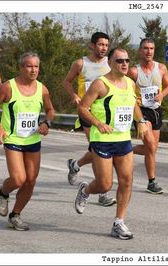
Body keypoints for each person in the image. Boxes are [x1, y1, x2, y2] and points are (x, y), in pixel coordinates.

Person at [75, 48, 148, 240]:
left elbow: (133, 105)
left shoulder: (131, 84)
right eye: (119, 61)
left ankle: (119, 222)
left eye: (127, 60)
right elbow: (82, 108)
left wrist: (140, 121)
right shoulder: (101, 84)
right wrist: (98, 123)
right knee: (105, 185)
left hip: (123, 139)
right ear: (110, 63)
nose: (124, 64)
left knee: (126, 180)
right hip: (102, 140)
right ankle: (86, 190)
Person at [0, 52, 55, 231]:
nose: (33, 70)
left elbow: (50, 110)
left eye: (36, 66)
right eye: (29, 66)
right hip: (13, 138)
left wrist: (46, 122)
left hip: (32, 139)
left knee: (31, 180)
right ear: (21, 67)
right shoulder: (9, 87)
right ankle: (3, 192)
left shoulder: (42, 89)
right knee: (18, 179)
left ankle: (15, 215)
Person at [62, 32, 116, 207]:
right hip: (87, 112)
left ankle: (76, 165)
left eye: (106, 45)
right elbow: (67, 82)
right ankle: (103, 193)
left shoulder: (111, 63)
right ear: (92, 45)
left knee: (97, 152)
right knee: (99, 150)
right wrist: (75, 96)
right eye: (100, 44)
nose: (103, 48)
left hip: (106, 115)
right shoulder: (80, 63)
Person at [127, 38, 168, 194]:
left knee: (152, 149)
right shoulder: (133, 71)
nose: (149, 51)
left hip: (156, 111)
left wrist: (162, 95)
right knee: (151, 146)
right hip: (141, 111)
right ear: (140, 51)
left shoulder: (161, 68)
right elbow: (124, 87)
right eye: (145, 48)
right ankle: (152, 182)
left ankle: (125, 149)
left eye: (151, 48)